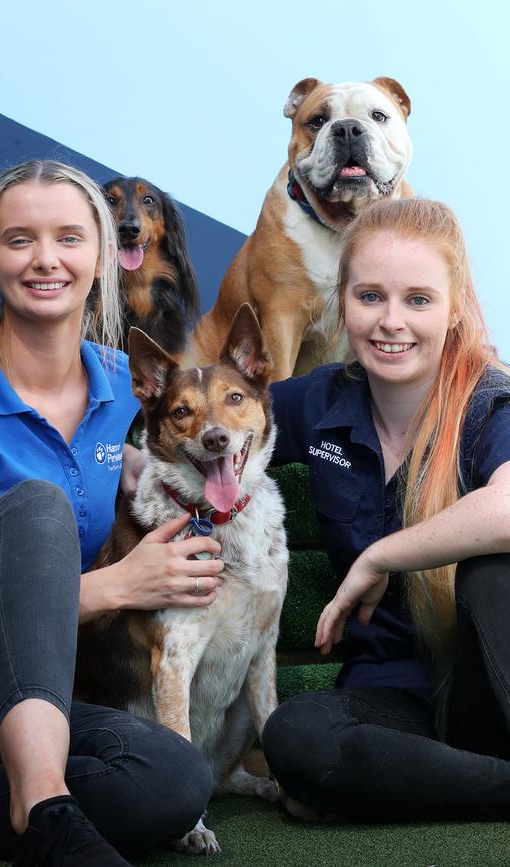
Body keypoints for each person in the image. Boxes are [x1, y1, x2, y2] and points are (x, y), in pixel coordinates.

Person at [0, 160, 226, 865]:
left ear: (102, 258)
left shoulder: (131, 391)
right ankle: (47, 810)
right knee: (36, 507)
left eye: (68, 237)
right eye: (19, 239)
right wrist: (122, 586)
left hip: (28, 705)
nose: (45, 259)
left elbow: (249, 408)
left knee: (175, 778)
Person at [262, 197, 510, 821]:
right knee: (298, 738)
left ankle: (405, 787)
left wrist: (382, 555)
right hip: (398, 696)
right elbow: (213, 416)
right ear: (341, 300)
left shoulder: (492, 402)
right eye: (370, 296)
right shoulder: (318, 402)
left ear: (455, 310)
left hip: (490, 682)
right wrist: (132, 467)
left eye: (418, 300)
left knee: (492, 573)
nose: (390, 321)